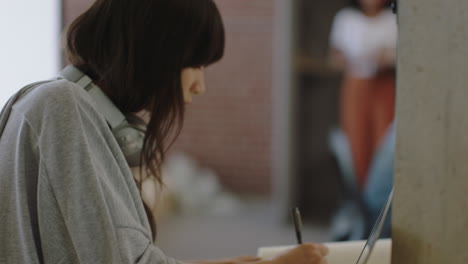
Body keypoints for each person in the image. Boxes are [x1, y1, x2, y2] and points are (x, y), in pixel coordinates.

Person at [0, 0, 329, 263]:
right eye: (196, 65)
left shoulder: (67, 107)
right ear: (156, 52)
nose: (200, 86)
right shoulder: (61, 105)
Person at [327, 0, 397, 241]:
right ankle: (363, 214)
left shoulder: (391, 19)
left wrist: (385, 57)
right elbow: (334, 55)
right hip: (356, 85)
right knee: (357, 149)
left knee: (384, 149)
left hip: (383, 84)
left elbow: (398, 53)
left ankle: (379, 214)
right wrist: (346, 59)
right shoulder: (346, 18)